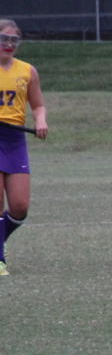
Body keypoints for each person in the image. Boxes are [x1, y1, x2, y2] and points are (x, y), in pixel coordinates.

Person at [0, 19, 48, 276]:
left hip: (15, 140)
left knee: (19, 207)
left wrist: (40, 120)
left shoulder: (27, 71)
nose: (8, 44)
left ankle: (0, 238)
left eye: (13, 40)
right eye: (3, 39)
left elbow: (38, 105)